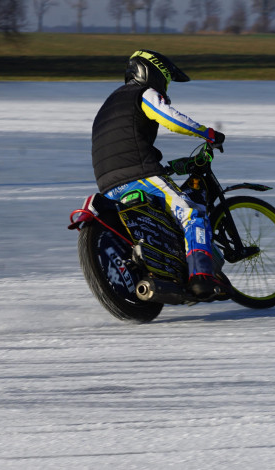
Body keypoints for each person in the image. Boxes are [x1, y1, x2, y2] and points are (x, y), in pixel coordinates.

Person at [91, 50, 228, 300]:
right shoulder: (143, 93)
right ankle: (201, 277)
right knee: (191, 212)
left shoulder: (109, 104)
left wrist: (168, 167)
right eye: (165, 79)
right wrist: (207, 134)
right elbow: (172, 119)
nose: (165, 87)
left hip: (107, 183)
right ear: (153, 73)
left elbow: (125, 143)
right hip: (138, 172)